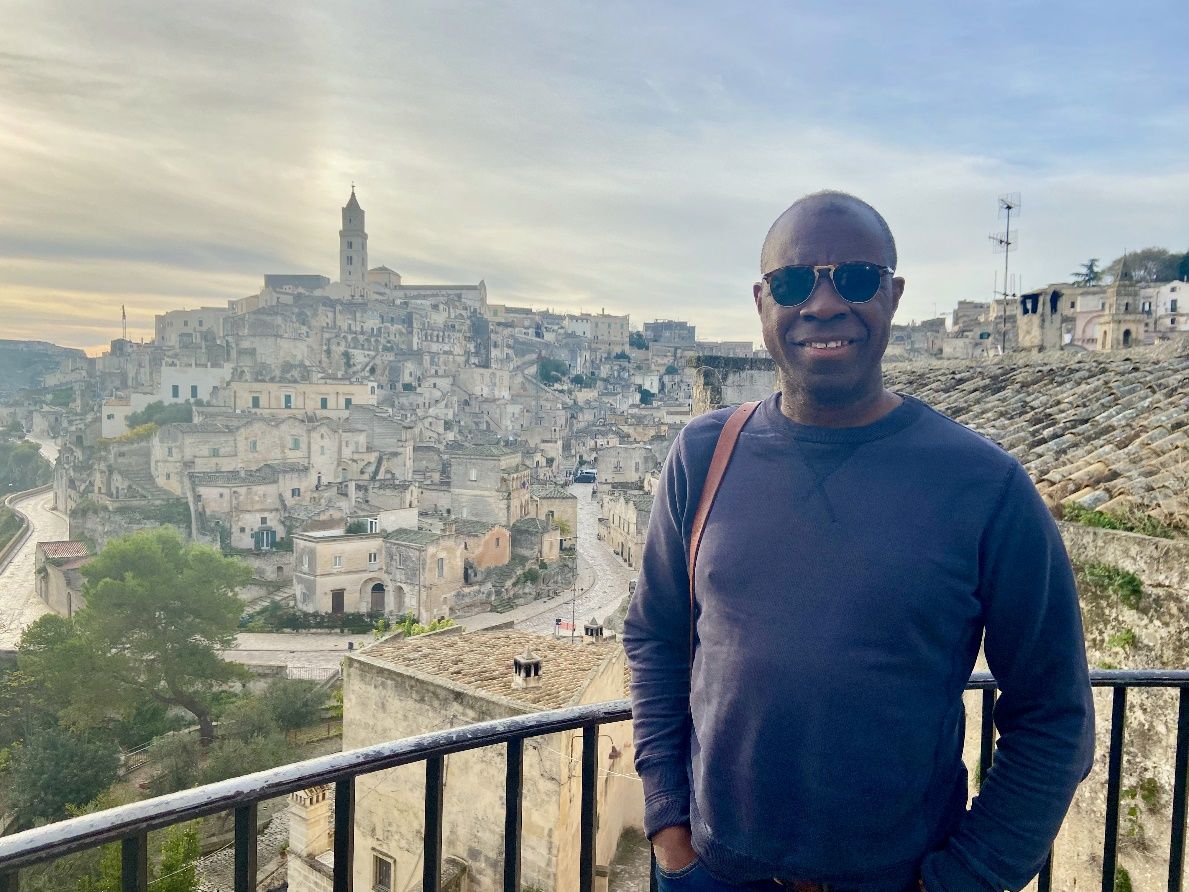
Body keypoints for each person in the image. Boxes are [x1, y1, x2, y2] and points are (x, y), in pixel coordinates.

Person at [622, 191, 1095, 892]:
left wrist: (964, 878)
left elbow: (1054, 712)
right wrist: (667, 828)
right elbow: (655, 637)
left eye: (853, 278)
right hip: (708, 873)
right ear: (762, 302)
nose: (820, 304)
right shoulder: (702, 453)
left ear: (892, 295)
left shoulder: (983, 483)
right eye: (791, 282)